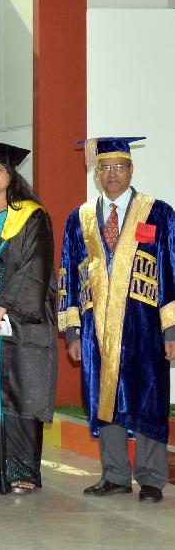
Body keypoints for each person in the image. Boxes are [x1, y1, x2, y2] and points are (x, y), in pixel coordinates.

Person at [60, 136, 175, 504]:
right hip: (96, 328)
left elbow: (171, 270)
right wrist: (72, 331)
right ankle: (114, 476)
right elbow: (67, 275)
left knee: (150, 395)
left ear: (131, 170)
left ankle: (152, 479)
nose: (112, 174)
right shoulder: (79, 218)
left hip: (145, 326)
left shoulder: (158, 213)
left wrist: (171, 329)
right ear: (96, 173)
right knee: (103, 397)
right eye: (105, 167)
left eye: (119, 167)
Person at [0, 140, 57, 495]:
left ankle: (21, 470)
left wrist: (4, 305)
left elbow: (36, 265)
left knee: (19, 389)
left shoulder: (32, 215)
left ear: (11, 175)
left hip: (18, 322)